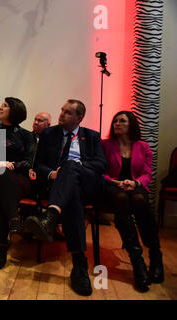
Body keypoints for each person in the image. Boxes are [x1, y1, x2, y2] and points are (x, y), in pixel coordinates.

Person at [24, 99, 106, 296]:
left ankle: (50, 216)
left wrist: (76, 168)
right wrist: (52, 173)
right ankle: (79, 266)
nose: (61, 114)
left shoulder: (91, 136)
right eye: (62, 110)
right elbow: (38, 164)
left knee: (71, 166)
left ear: (79, 117)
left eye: (68, 112)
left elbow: (101, 165)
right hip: (55, 186)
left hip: (86, 185)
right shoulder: (49, 134)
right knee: (72, 199)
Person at [102, 111, 163, 292]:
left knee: (138, 199)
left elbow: (147, 174)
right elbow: (99, 170)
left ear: (131, 125)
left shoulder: (143, 146)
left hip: (135, 187)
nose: (117, 124)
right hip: (112, 186)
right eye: (115, 121)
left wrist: (135, 182)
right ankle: (138, 262)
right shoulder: (105, 145)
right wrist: (114, 181)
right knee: (121, 199)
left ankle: (155, 254)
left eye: (122, 121)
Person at [0, 97, 35, 269]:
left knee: (6, 190)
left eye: (5, 105)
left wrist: (7, 165)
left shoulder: (27, 135)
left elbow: (29, 162)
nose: (0, 107)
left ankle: (2, 245)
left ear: (15, 110)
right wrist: (0, 165)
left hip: (19, 181)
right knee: (1, 174)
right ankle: (14, 219)